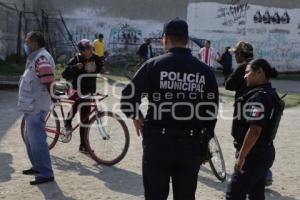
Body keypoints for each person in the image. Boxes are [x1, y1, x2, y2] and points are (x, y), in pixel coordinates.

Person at [121, 18, 219, 200]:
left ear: (165, 38)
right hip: (190, 145)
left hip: (158, 143)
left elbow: (128, 96)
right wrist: (204, 145)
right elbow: (211, 113)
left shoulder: (153, 65)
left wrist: (136, 116)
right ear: (188, 39)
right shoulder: (205, 71)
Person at [226, 58, 284, 200]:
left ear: (260, 72)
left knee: (234, 194)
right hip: (264, 152)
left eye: (247, 72)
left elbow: (255, 130)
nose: (245, 76)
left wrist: (242, 157)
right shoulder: (268, 93)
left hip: (253, 155)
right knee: (256, 194)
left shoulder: (259, 97)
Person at [225, 41, 273, 185]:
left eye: (236, 53)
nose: (235, 56)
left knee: (244, 139)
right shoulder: (258, 67)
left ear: (240, 53)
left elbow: (228, 85)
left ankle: (249, 171)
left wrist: (234, 72)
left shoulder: (243, 68)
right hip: (260, 110)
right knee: (261, 138)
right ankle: (263, 174)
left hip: (244, 110)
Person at [18, 31, 55, 185]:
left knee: (38, 141)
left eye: (27, 41)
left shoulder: (41, 58)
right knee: (30, 139)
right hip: (31, 106)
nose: (26, 44)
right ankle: (37, 167)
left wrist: (53, 98)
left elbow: (48, 81)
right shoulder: (35, 58)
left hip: (37, 106)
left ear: (35, 42)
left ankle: (46, 173)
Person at [62, 39, 104, 153]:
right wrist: (75, 67)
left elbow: (100, 68)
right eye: (87, 49)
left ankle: (83, 145)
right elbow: (64, 74)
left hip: (89, 91)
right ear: (81, 51)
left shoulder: (95, 58)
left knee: (85, 120)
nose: (90, 50)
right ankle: (68, 121)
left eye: (91, 48)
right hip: (76, 90)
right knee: (79, 101)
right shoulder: (76, 59)